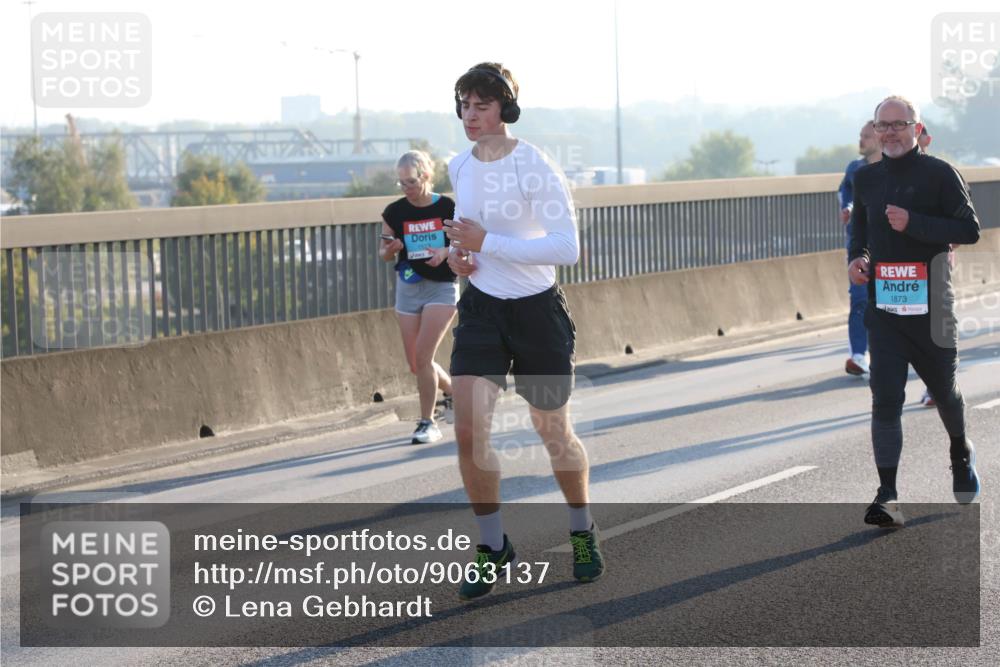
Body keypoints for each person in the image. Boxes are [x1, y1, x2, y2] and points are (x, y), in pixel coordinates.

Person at [443, 62, 603, 599]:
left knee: (553, 432)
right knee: (468, 429)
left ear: (505, 108)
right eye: (464, 104)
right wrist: (458, 257)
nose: (470, 114)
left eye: (482, 105)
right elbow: (465, 243)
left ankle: (582, 532)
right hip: (482, 311)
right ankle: (492, 546)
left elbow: (566, 249)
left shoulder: (535, 166)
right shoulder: (459, 166)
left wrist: (487, 243)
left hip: (537, 312)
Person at [848, 96, 981, 529]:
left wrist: (915, 223)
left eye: (898, 124)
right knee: (886, 401)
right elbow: (860, 234)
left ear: (916, 127)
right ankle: (888, 495)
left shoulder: (941, 174)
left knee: (944, 392)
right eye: (882, 125)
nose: (889, 132)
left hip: (933, 311)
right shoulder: (866, 179)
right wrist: (858, 261)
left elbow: (969, 229)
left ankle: (960, 451)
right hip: (885, 311)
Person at [379, 150, 458, 444]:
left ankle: (428, 423)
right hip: (408, 287)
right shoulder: (395, 212)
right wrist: (389, 250)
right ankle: (452, 392)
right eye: (401, 183)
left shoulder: (447, 207)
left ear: (426, 176)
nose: (406, 189)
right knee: (415, 363)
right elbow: (384, 251)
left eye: (411, 181)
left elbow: (465, 243)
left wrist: (446, 251)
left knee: (424, 356)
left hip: (441, 286)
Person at [838, 121, 882, 378]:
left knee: (890, 304)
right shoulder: (854, 169)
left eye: (866, 136)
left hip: (889, 248)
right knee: (859, 299)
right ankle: (858, 355)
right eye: (861, 136)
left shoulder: (894, 168)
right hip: (860, 248)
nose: (861, 141)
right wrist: (848, 209)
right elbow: (848, 197)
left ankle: (897, 354)